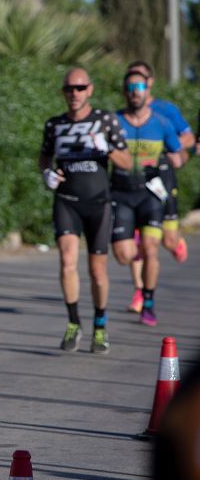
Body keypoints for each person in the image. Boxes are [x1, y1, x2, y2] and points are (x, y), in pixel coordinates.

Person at [38, 68, 130, 353]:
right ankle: (74, 323)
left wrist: (106, 149)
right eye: (69, 89)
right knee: (67, 261)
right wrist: (47, 174)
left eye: (79, 88)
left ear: (90, 89)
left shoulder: (105, 120)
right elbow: (44, 157)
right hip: (67, 201)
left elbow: (127, 162)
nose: (74, 94)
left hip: (98, 203)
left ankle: (100, 327)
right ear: (63, 92)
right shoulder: (55, 124)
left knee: (97, 271)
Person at [110, 71, 187, 326]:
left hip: (150, 194)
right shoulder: (114, 121)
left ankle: (148, 301)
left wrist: (181, 157)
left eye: (139, 86)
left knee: (151, 249)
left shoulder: (162, 123)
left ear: (147, 90)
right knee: (124, 254)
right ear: (125, 92)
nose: (135, 91)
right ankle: (141, 287)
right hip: (121, 193)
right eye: (130, 86)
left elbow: (178, 155)